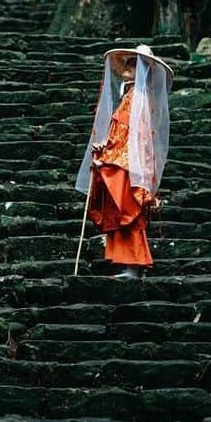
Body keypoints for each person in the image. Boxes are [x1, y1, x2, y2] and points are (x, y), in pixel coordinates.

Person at [74, 43, 173, 279]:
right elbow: (120, 133)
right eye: (128, 63)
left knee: (129, 211)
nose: (128, 67)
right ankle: (127, 264)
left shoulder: (138, 99)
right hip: (124, 161)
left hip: (130, 165)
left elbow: (136, 138)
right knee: (121, 212)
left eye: (133, 63)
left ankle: (133, 265)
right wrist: (105, 148)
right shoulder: (130, 97)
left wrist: (109, 158)